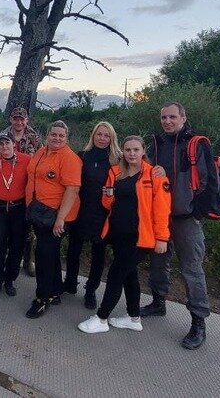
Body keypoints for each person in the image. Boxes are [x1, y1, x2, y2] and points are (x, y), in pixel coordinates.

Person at [77, 135, 170, 334]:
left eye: (136, 150)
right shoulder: (116, 172)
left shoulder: (154, 175)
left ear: (143, 151)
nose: (132, 153)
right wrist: (108, 196)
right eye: (128, 150)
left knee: (116, 274)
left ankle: (101, 318)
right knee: (130, 276)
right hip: (118, 234)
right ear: (123, 152)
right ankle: (134, 317)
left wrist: (162, 237)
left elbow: (162, 209)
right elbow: (107, 203)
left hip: (140, 238)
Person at [140, 101, 212, 349]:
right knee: (158, 261)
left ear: (183, 117)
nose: (167, 121)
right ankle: (158, 302)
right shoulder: (158, 143)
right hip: (161, 214)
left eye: (172, 117)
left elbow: (208, 181)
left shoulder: (196, 144)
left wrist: (196, 211)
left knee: (191, 268)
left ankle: (198, 323)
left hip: (186, 217)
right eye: (163, 118)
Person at [24, 120, 81, 319]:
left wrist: (61, 219)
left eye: (61, 136)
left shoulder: (69, 158)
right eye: (53, 134)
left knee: (43, 256)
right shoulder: (42, 151)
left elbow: (72, 189)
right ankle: (56, 289)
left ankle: (42, 298)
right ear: (47, 135)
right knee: (50, 253)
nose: (57, 138)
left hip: (56, 216)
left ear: (66, 137)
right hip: (39, 212)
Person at [63, 121, 121, 309]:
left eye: (106, 135)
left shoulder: (117, 159)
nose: (102, 138)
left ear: (111, 138)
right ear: (93, 136)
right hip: (80, 211)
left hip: (103, 214)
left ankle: (90, 291)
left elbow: (140, 166)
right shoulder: (82, 156)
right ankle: (70, 283)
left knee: (98, 255)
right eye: (99, 134)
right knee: (74, 250)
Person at [0, 131, 30, 298]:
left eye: (7, 143)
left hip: (19, 209)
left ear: (14, 144)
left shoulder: (26, 160)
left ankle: (10, 280)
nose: (5, 147)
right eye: (1, 144)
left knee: (17, 246)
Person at [0, 107, 42, 278]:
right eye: (15, 118)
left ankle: (28, 260)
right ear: (11, 119)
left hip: (27, 184)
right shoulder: (3, 134)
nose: (18, 122)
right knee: (8, 226)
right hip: (8, 183)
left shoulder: (34, 137)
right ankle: (7, 258)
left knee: (29, 226)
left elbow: (40, 158)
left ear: (27, 120)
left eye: (22, 119)